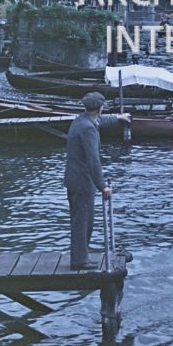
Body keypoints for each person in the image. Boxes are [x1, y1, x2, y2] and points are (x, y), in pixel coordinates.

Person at [64, 92, 130, 271]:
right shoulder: (88, 129)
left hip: (73, 179)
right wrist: (103, 187)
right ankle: (79, 260)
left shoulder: (81, 120)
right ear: (100, 109)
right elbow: (93, 161)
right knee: (83, 221)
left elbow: (101, 121)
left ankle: (82, 252)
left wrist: (118, 117)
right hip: (83, 181)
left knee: (82, 220)